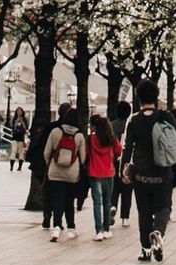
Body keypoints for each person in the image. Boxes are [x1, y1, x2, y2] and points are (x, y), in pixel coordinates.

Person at [122, 80, 176, 263]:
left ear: (139, 98)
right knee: (164, 207)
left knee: (144, 211)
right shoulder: (164, 116)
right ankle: (158, 233)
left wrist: (124, 171)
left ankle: (146, 250)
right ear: (156, 97)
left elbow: (127, 148)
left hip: (140, 174)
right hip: (162, 172)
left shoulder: (134, 120)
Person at [43, 102, 86, 240]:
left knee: (57, 200)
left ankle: (56, 227)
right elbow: (83, 157)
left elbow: (46, 152)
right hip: (72, 174)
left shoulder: (55, 132)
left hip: (55, 173)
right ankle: (71, 228)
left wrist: (51, 165)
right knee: (69, 201)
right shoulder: (79, 136)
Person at [87, 114, 121, 240]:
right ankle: (107, 229)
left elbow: (86, 154)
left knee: (97, 203)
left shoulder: (91, 139)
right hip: (109, 172)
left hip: (95, 173)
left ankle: (99, 231)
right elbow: (119, 150)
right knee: (107, 202)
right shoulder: (111, 139)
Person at [111, 101, 133, 228]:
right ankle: (125, 218)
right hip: (127, 161)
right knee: (127, 190)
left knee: (114, 187)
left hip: (113, 161)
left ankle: (113, 205)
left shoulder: (112, 126)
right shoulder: (130, 125)